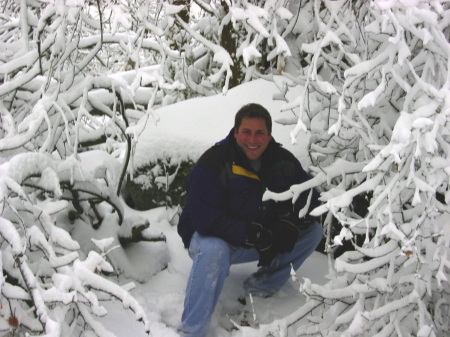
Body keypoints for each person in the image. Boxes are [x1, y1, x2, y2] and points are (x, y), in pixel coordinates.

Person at [177, 103, 323, 336]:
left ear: (269, 135)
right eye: (246, 132)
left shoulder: (283, 161)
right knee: (214, 250)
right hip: (210, 239)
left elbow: (312, 198)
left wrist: (290, 223)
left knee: (313, 232)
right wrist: (251, 233)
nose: (252, 139)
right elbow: (203, 219)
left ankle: (261, 286)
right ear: (235, 132)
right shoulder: (214, 162)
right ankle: (192, 329)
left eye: (259, 133)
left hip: (257, 239)